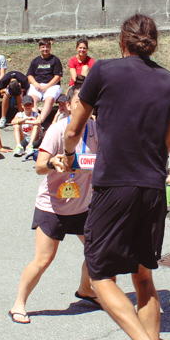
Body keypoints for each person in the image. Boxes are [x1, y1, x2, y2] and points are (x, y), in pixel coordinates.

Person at [57, 13, 170, 340]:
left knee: (100, 275)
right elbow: (168, 141)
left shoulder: (103, 71)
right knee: (143, 277)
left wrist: (68, 152)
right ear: (153, 43)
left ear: (122, 42)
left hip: (115, 186)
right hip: (153, 187)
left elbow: (75, 127)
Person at [9, 85, 99, 324]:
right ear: (68, 105)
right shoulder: (57, 129)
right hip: (53, 206)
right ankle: (19, 303)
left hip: (83, 205)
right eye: (79, 102)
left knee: (96, 251)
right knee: (43, 259)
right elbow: (39, 167)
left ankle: (85, 289)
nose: (84, 107)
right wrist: (52, 163)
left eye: (88, 103)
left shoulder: (95, 129)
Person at [26, 38, 63, 126]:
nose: (45, 49)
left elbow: (57, 77)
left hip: (52, 85)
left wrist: (47, 86)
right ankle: (35, 119)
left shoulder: (55, 60)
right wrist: (35, 84)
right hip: (37, 85)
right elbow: (30, 75)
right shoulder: (35, 61)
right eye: (43, 47)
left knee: (49, 99)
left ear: (50, 47)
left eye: (47, 47)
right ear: (39, 48)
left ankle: (39, 122)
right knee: (31, 100)